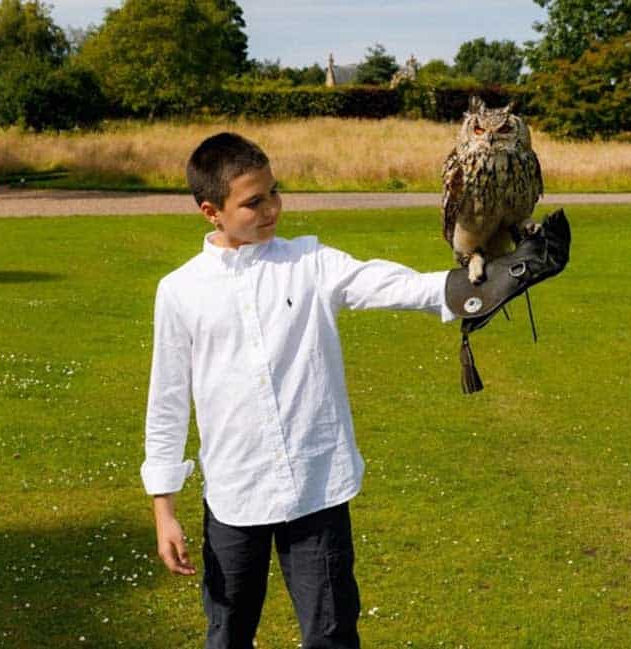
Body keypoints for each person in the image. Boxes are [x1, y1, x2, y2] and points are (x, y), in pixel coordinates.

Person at [141, 131, 457, 649]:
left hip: (318, 488)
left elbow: (384, 283)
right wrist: (164, 511)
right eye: (253, 202)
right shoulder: (180, 291)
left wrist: (466, 287)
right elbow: (167, 402)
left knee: (332, 635)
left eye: (274, 193)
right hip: (234, 496)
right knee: (228, 635)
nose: (272, 209)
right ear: (210, 211)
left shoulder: (309, 262)